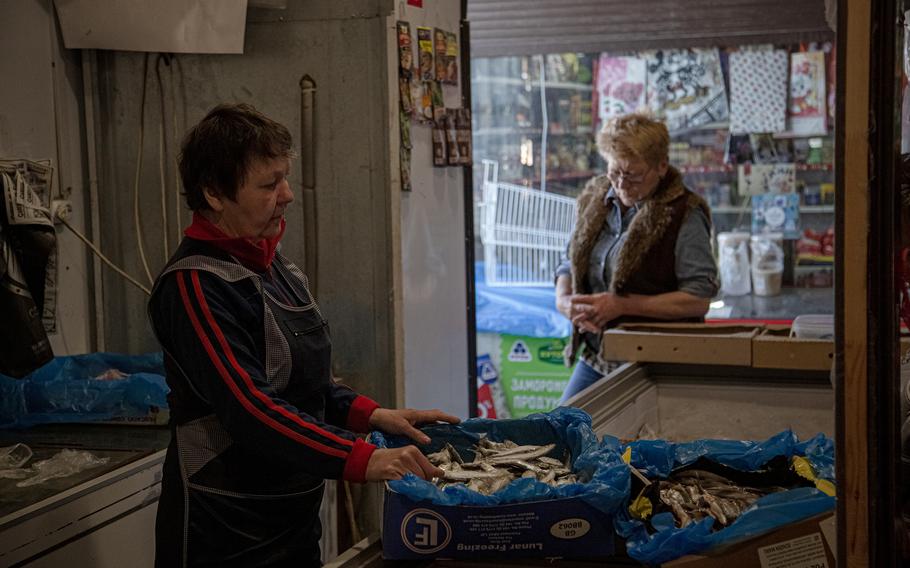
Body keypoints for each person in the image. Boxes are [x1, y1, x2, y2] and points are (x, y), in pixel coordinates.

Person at [148, 103, 459, 567]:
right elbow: (251, 409)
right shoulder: (195, 286)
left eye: (285, 178)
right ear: (214, 193)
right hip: (226, 529)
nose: (288, 194)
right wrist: (361, 459)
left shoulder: (276, 267)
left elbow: (306, 386)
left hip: (291, 516)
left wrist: (374, 416)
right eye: (269, 184)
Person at [555, 113, 718, 403]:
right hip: (599, 355)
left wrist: (621, 306)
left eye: (633, 175)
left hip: (658, 362)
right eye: (614, 171)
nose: (621, 184)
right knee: (563, 433)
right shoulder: (595, 197)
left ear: (661, 167)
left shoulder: (684, 214)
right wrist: (564, 299)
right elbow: (569, 260)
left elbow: (698, 297)